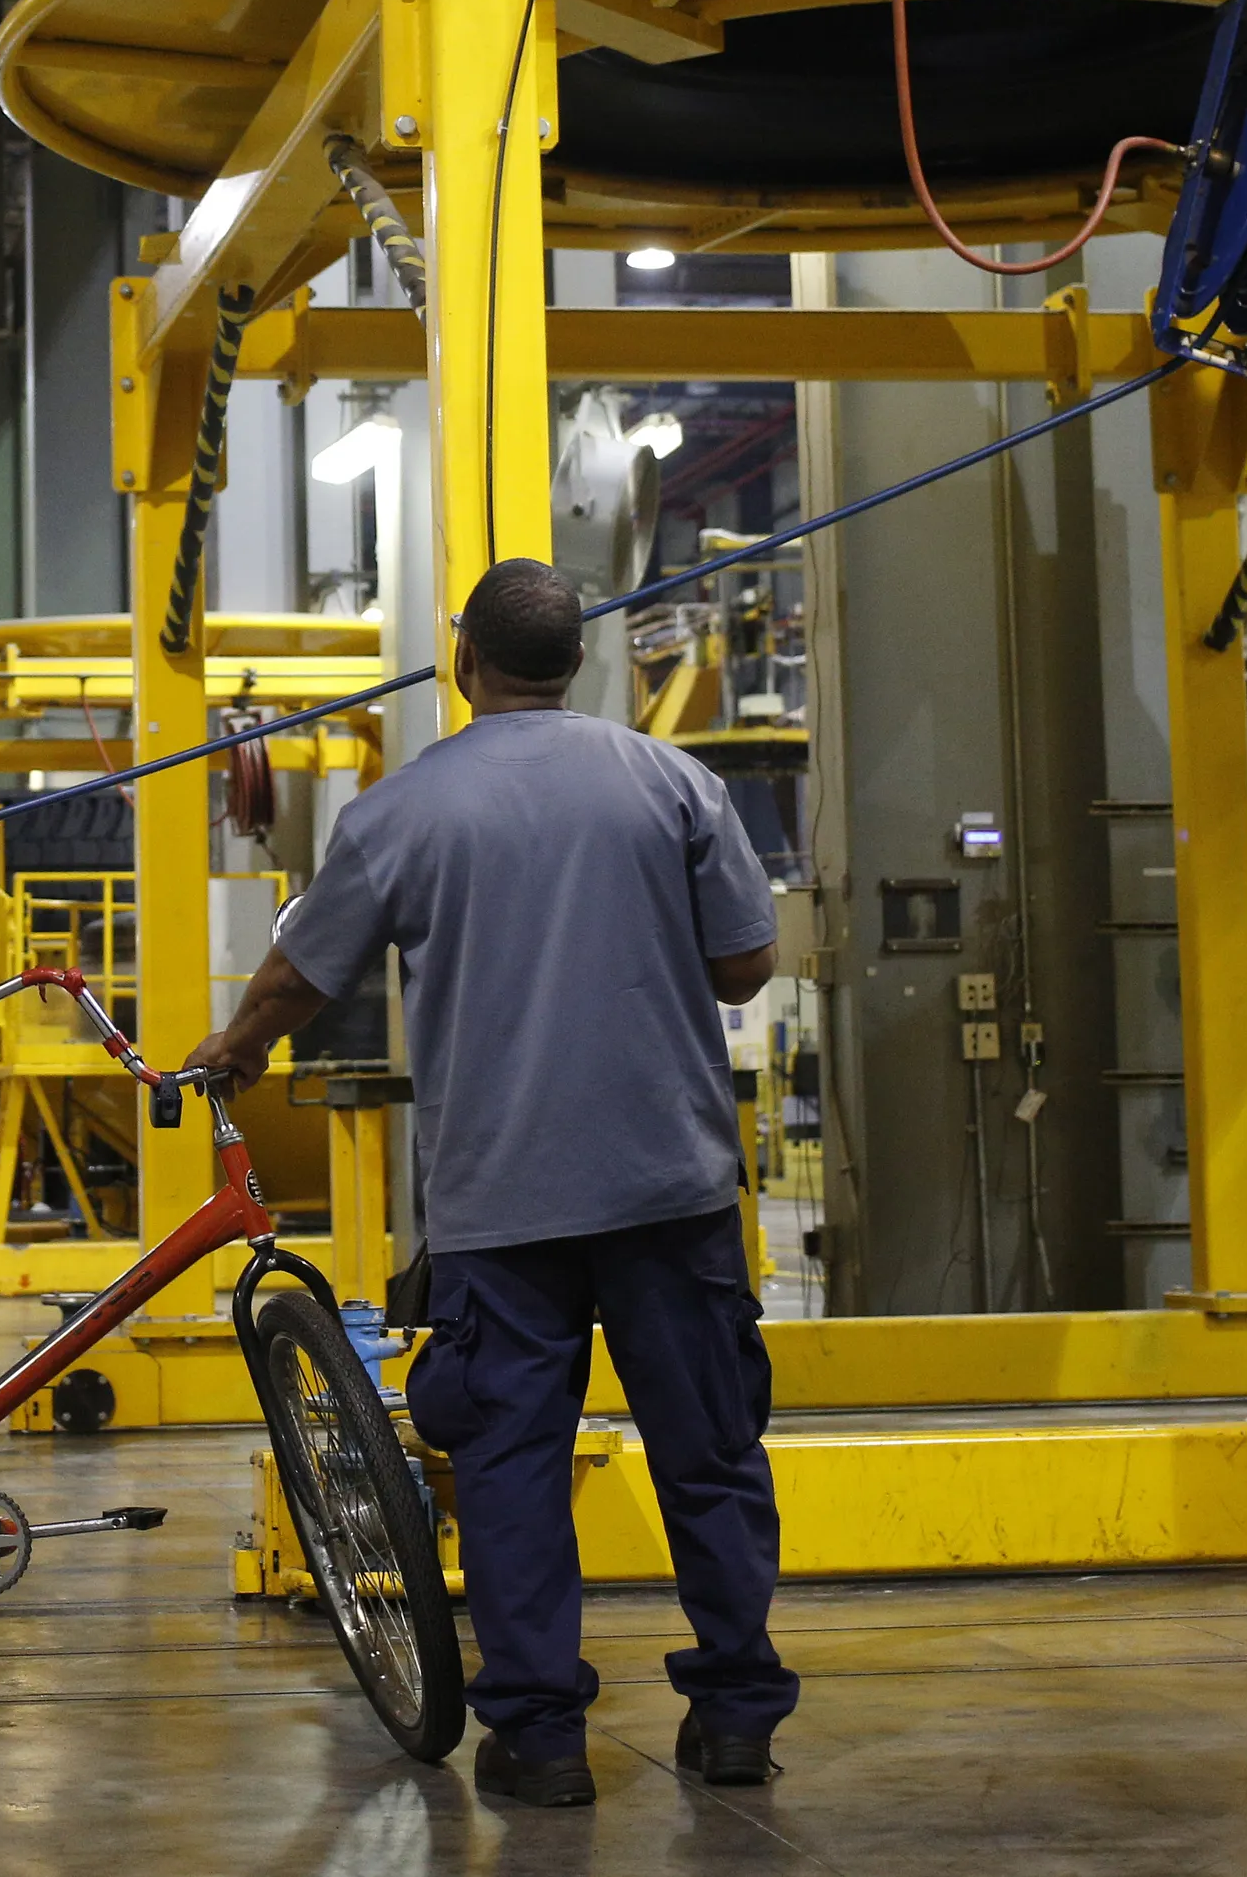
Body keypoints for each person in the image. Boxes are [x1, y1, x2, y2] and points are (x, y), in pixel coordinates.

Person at [186, 556, 792, 1811]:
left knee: (513, 1463)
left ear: (462, 659)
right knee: (711, 1451)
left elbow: (306, 974)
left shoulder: (404, 812)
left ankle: (541, 1739)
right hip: (669, 1189)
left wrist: (237, 1047)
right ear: (580, 662)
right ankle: (733, 1716)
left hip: (501, 1207)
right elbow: (743, 968)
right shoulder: (672, 783)